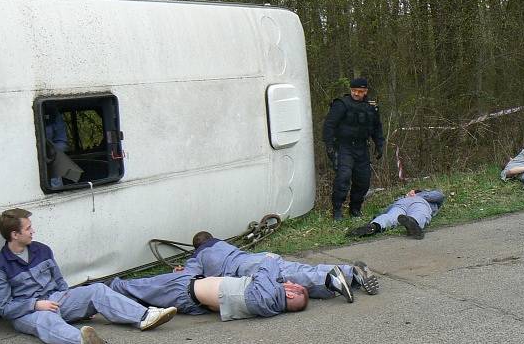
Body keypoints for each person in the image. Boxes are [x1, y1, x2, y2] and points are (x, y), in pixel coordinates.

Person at [0, 208, 177, 344]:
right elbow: (5, 308)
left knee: (96, 290)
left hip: (55, 299)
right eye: (28, 228)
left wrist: (72, 301)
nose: (33, 231)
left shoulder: (42, 250)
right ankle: (84, 341)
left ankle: (144, 317)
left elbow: (60, 281)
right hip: (28, 313)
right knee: (46, 319)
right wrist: (36, 305)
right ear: (15, 234)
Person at [181, 232, 379, 302]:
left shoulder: (199, 255)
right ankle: (349, 273)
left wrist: (182, 269)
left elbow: (186, 280)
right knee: (296, 269)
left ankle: (329, 279)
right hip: (259, 257)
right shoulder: (222, 244)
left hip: (248, 268)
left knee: (288, 280)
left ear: (196, 247)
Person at [111, 255, 309, 321]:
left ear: (290, 295)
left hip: (182, 289)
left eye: (292, 285)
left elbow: (268, 263)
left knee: (129, 287)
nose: (289, 283)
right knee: (143, 295)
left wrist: (273, 261)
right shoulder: (269, 308)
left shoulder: (266, 293)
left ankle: (95, 291)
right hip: (193, 298)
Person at [322, 77, 385, 220]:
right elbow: (329, 125)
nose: (356, 94)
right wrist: (330, 146)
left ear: (366, 91)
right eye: (354, 90)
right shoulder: (341, 104)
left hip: (362, 148)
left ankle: (355, 208)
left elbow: (377, 127)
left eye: (360, 91)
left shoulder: (371, 106)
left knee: (363, 180)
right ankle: (337, 210)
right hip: (344, 147)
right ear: (350, 90)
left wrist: (379, 144)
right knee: (343, 177)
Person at [348, 189, 445, 240]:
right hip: (401, 203)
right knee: (391, 216)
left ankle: (412, 224)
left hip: (420, 201)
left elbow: (440, 196)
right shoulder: (400, 198)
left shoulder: (424, 195)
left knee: (419, 213)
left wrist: (419, 193)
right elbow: (388, 209)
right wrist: (377, 216)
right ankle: (373, 226)